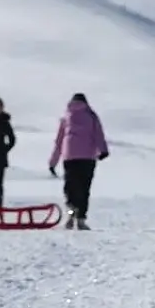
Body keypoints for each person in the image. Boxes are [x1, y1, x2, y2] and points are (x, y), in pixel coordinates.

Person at [48, 92, 110, 230]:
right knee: (84, 188)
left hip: (70, 157)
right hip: (88, 158)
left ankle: (70, 215)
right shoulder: (91, 116)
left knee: (70, 189)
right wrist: (103, 150)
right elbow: (98, 134)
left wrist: (53, 162)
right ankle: (81, 218)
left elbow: (59, 142)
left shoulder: (66, 117)